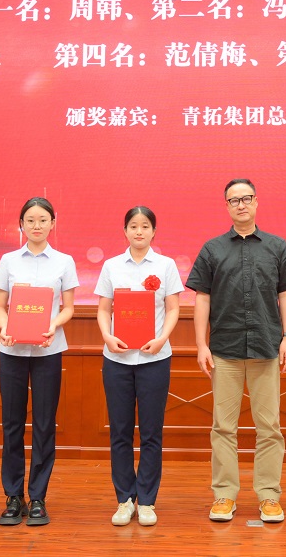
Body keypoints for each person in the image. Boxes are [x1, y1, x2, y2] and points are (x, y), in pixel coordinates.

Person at [186, 178, 286, 524]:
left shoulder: (277, 246)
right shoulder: (212, 249)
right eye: (233, 200)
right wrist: (201, 344)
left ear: (256, 202)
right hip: (224, 349)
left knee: (269, 426)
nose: (241, 204)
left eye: (246, 198)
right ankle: (224, 495)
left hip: (267, 346)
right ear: (226, 206)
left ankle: (269, 496)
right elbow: (202, 298)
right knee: (223, 427)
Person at [0, 197, 79, 526]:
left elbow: (69, 308)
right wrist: (5, 328)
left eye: (43, 220)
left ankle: (38, 496)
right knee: (12, 424)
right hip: (12, 351)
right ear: (21, 225)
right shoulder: (8, 260)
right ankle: (13, 496)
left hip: (48, 351)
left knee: (43, 424)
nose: (37, 225)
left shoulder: (64, 261)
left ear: (53, 223)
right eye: (30, 220)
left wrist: (53, 325)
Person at [94, 206, 184, 527]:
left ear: (153, 231)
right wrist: (107, 336)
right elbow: (103, 309)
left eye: (145, 226)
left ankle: (146, 500)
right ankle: (124, 500)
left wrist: (162, 339)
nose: (139, 232)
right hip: (117, 360)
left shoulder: (166, 265)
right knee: (120, 432)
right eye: (133, 226)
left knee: (150, 433)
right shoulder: (111, 265)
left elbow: (173, 308)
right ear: (125, 231)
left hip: (154, 359)